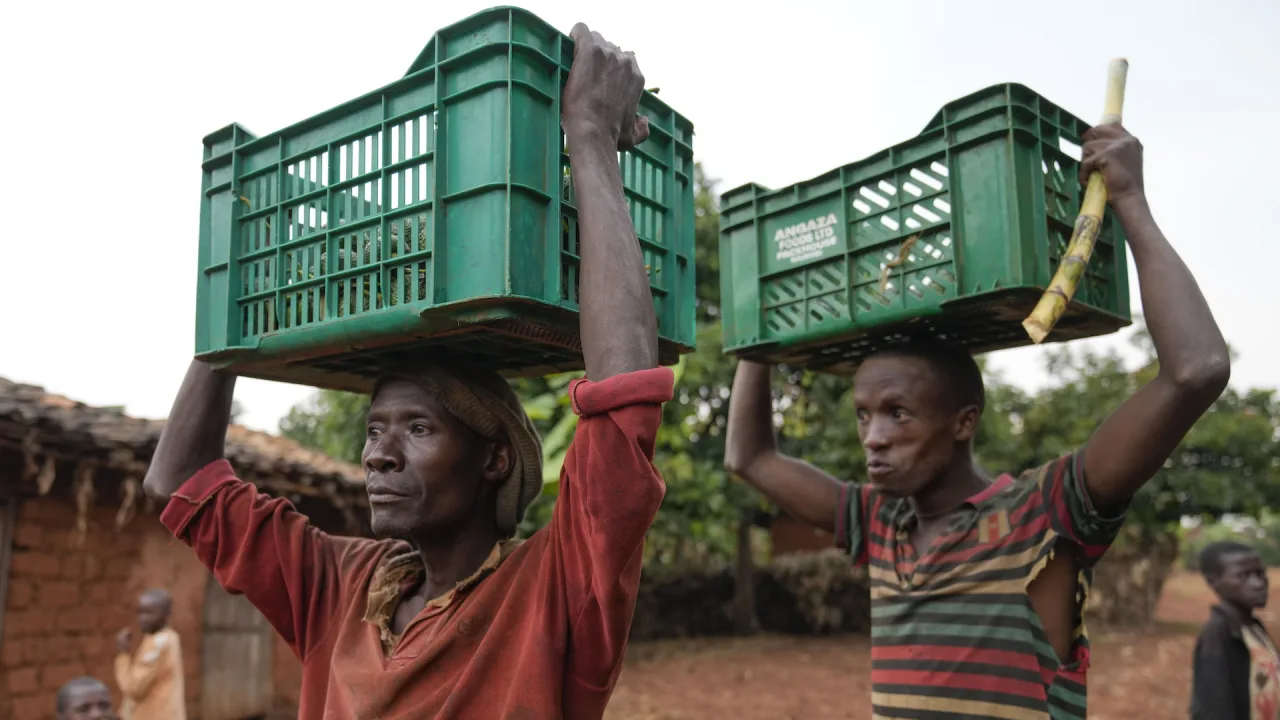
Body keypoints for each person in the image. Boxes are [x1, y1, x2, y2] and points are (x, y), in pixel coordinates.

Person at [142, 22, 671, 719]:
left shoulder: (554, 589)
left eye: (417, 427)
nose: (377, 456)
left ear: (493, 459)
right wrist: (239, 286)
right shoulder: (343, 587)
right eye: (374, 428)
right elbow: (181, 482)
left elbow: (621, 404)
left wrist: (590, 137)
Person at [724, 124, 1230, 719]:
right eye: (863, 415)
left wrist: (1131, 203)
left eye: (898, 413)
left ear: (964, 422)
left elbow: (1196, 370)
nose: (873, 436)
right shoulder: (878, 523)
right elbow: (750, 458)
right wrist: (756, 325)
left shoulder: (1046, 513)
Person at [1191, 541, 1280, 719]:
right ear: (1213, 582)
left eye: (1260, 573)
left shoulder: (1253, 627)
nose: (1258, 583)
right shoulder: (1218, 632)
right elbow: (1213, 705)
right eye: (1244, 576)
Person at [113, 588, 185, 720]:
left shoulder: (158, 643)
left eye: (149, 613)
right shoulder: (168, 637)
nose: (143, 618)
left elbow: (134, 688)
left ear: (166, 614)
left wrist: (123, 654)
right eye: (140, 612)